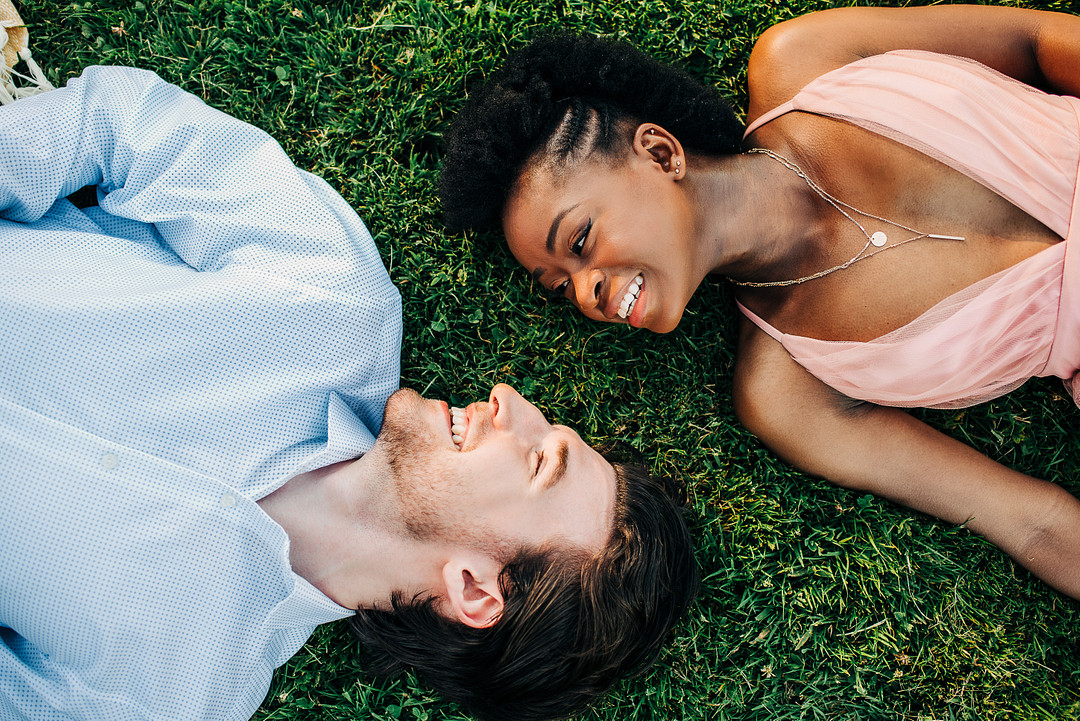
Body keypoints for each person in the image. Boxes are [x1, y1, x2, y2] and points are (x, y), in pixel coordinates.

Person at [0, 65, 697, 721]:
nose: (509, 399)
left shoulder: (167, 695)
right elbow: (124, 126)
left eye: (538, 460)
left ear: (476, 589)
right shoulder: (331, 300)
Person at [438, 5, 1080, 599]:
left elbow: (1037, 43)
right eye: (560, 286)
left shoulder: (804, 60)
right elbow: (1031, 522)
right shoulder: (786, 393)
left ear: (660, 152)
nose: (584, 292)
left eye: (579, 241)